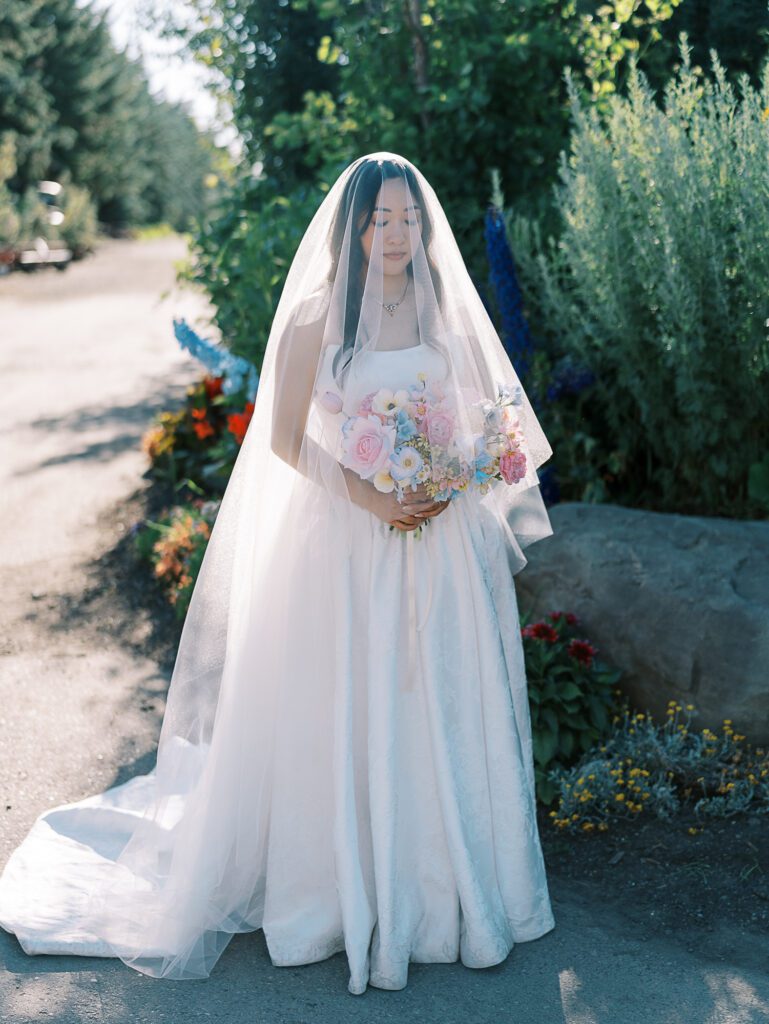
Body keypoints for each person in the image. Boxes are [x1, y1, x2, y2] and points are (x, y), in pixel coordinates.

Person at [0, 152, 556, 995]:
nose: (396, 233)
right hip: (349, 542)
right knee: (353, 702)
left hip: (438, 543)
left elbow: (486, 419)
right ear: (353, 227)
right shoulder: (314, 317)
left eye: (408, 217)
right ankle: (343, 888)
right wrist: (373, 495)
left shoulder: (442, 305)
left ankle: (452, 887)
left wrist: (454, 475)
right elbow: (285, 437)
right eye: (380, 218)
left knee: (436, 701)